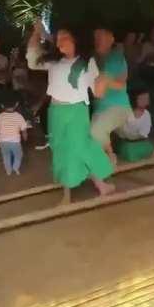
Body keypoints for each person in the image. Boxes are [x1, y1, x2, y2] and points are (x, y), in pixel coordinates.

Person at [26, 21, 114, 203]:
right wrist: (36, 33)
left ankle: (97, 184)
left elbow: (98, 92)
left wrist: (104, 79)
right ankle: (71, 192)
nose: (60, 43)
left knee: (80, 147)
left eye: (64, 38)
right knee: (61, 149)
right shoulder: (52, 61)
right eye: (58, 39)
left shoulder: (87, 62)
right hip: (56, 112)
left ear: (75, 40)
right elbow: (32, 60)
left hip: (77, 111)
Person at [89, 27, 132, 164]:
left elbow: (102, 91)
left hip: (118, 107)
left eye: (102, 37)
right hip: (100, 109)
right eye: (96, 37)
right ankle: (110, 156)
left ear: (111, 39)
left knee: (95, 132)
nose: (98, 41)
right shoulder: (92, 59)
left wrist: (104, 81)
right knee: (92, 131)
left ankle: (101, 165)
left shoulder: (115, 58)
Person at [0, 92, 28, 175]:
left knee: (6, 156)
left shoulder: (0, 116)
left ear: (2, 106)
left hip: (3, 142)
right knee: (18, 155)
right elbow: (24, 130)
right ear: (16, 104)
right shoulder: (19, 116)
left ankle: (8, 171)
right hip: (15, 142)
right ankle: (15, 168)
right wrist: (25, 137)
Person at [115, 87, 154, 162]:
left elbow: (144, 133)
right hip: (126, 143)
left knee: (150, 149)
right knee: (130, 154)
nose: (144, 100)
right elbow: (119, 130)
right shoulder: (126, 112)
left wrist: (137, 136)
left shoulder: (147, 114)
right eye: (141, 98)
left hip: (140, 142)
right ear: (135, 99)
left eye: (146, 98)